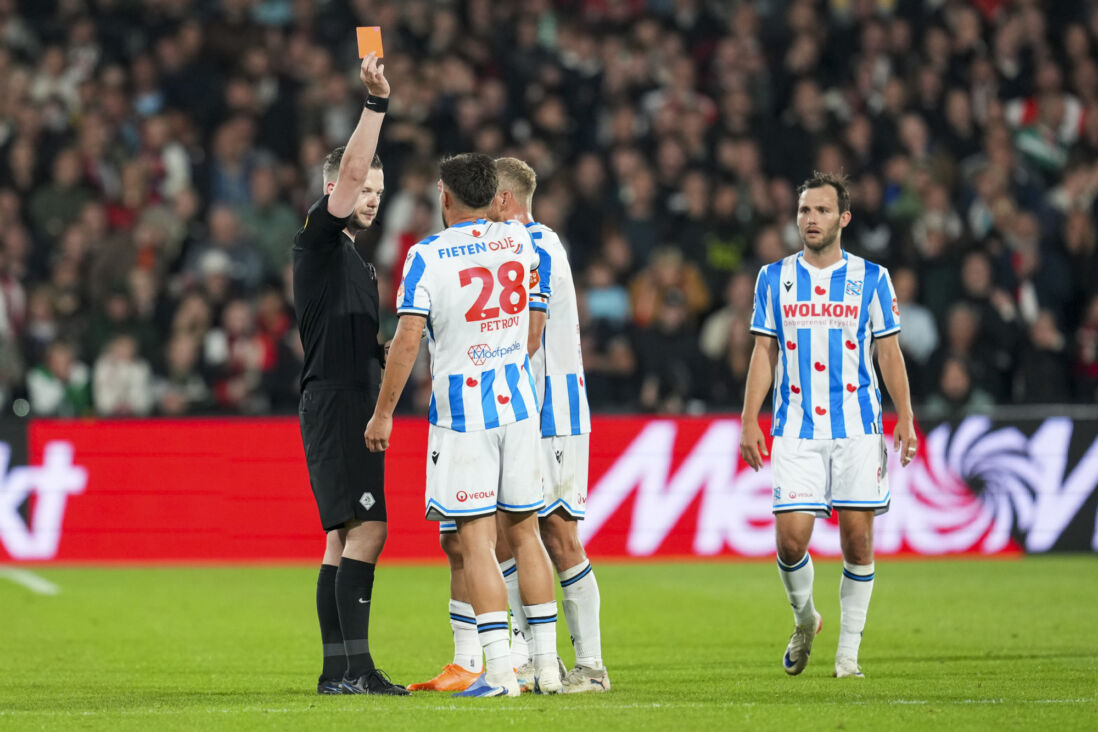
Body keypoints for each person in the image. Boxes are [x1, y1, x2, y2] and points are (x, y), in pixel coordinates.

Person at [406, 158, 608, 695]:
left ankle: (588, 664)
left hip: (548, 409)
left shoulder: (533, 242)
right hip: (519, 409)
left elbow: (531, 337)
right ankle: (528, 656)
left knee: (555, 534)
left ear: (503, 200)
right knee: (501, 534)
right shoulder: (513, 244)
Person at [365, 153, 562, 697]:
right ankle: (546, 666)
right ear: (495, 195)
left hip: (463, 415)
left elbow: (408, 340)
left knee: (475, 541)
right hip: (518, 408)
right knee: (525, 535)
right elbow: (533, 326)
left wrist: (383, 412)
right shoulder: (521, 241)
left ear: (444, 197)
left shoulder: (427, 255)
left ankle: (496, 673)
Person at [739, 171, 917, 679]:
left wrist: (905, 415)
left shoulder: (873, 278)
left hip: (857, 426)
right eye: (804, 211)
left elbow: (888, 352)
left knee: (858, 542)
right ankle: (805, 619)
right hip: (796, 427)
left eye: (821, 210)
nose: (811, 219)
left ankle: (848, 656)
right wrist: (750, 417)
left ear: (844, 218)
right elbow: (764, 351)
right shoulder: (773, 278)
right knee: (790, 541)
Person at [293, 53, 407, 696]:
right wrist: (376, 103)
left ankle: (338, 671)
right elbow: (355, 167)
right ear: (336, 187)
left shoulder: (357, 264)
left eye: (379, 194)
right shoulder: (317, 240)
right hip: (337, 402)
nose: (372, 197)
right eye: (364, 189)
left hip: (348, 397)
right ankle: (357, 669)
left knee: (341, 539)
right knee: (369, 529)